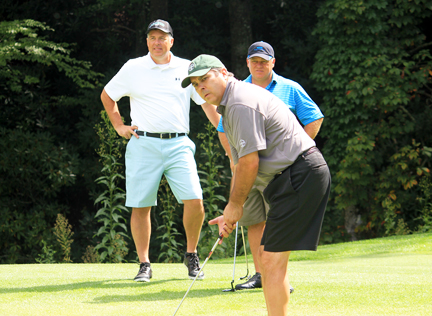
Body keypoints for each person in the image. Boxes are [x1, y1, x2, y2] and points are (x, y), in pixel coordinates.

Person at [181, 54, 331, 315]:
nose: (201, 87)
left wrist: (235, 205)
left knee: (271, 262)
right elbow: (240, 165)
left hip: (299, 174)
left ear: (224, 73)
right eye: (195, 84)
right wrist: (232, 209)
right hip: (293, 177)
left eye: (205, 79)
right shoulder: (229, 106)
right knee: (272, 259)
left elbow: (250, 163)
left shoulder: (239, 103)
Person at [100, 19, 208, 282]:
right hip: (143, 143)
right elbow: (107, 94)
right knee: (141, 205)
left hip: (179, 142)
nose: (157, 43)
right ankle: (144, 264)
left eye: (162, 38)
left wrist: (224, 131)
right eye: (152, 38)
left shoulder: (186, 67)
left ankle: (191, 255)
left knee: (195, 200)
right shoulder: (133, 67)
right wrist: (119, 126)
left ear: (172, 40)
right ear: (147, 41)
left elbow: (206, 101)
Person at [216, 41, 324, 291]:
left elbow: (314, 116)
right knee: (254, 218)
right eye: (254, 61)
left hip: (279, 171)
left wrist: (298, 149)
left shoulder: (289, 88)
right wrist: (234, 160)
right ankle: (261, 274)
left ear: (273, 62)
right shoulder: (236, 90)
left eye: (264, 61)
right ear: (247, 63)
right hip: (248, 168)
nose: (259, 65)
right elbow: (223, 129)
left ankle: (278, 275)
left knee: (277, 218)